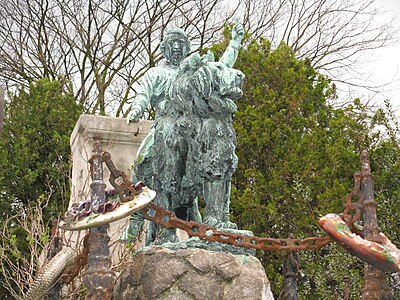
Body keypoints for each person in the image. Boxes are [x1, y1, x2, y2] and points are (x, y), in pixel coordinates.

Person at [124, 23, 244, 244]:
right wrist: (137, 108)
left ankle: (217, 215)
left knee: (214, 161)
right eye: (172, 44)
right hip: (165, 124)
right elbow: (143, 94)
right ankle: (135, 218)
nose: (177, 48)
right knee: (143, 159)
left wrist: (234, 44)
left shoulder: (194, 71)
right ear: (163, 48)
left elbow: (221, 69)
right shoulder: (156, 73)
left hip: (190, 127)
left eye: (181, 44)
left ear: (187, 48)